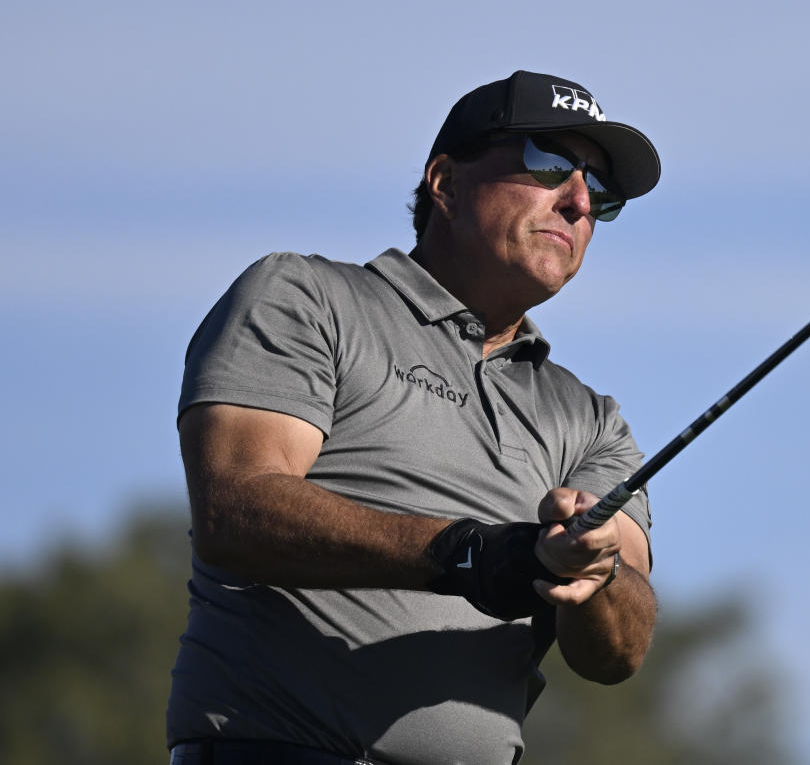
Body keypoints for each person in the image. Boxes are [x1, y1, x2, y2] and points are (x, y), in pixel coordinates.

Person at [166, 71, 661, 765]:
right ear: (446, 182)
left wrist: (592, 573)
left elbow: (621, 650)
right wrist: (469, 555)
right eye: (548, 163)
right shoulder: (305, 297)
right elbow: (235, 508)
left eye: (600, 192)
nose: (579, 201)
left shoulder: (591, 419)